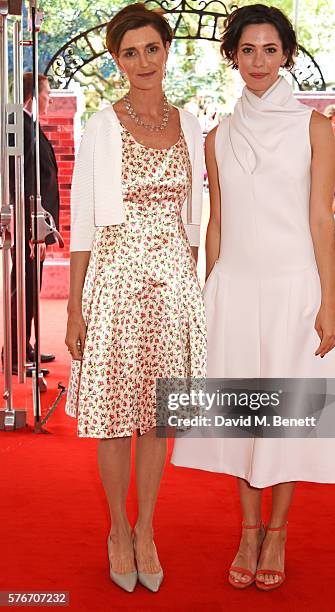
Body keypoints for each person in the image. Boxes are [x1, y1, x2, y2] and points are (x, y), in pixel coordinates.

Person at [172, 4, 335, 591]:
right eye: (247, 50)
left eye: (270, 50)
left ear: (287, 55)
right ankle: (248, 529)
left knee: (290, 414)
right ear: (232, 56)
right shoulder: (219, 135)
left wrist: (330, 301)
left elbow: (321, 220)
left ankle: (278, 531)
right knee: (242, 414)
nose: (258, 61)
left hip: (295, 286)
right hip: (235, 288)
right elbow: (216, 221)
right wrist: (206, 293)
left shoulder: (313, 127)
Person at [64, 3, 206, 594]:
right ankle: (118, 529)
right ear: (116, 60)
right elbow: (84, 223)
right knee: (116, 417)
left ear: (167, 51)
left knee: (157, 418)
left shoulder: (192, 122)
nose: (143, 62)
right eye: (130, 52)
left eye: (152, 49)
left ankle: (148, 527)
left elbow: (199, 215)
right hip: (118, 282)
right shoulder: (101, 125)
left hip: (174, 285)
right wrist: (74, 306)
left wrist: (199, 280)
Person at [8, 72, 59, 376]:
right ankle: (14, 354)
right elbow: (21, 180)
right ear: (32, 95)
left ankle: (22, 345)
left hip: (37, 223)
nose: (50, 99)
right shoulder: (20, 126)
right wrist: (30, 228)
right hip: (29, 224)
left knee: (29, 285)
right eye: (47, 93)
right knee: (23, 286)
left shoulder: (29, 124)